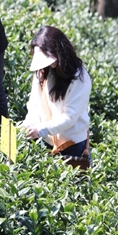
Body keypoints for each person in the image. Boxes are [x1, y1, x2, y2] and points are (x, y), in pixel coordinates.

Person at [22, 25, 91, 161]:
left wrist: (41, 130)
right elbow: (35, 105)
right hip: (46, 141)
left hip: (72, 144)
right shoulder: (42, 72)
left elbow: (70, 116)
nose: (49, 65)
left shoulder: (80, 78)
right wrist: (27, 126)